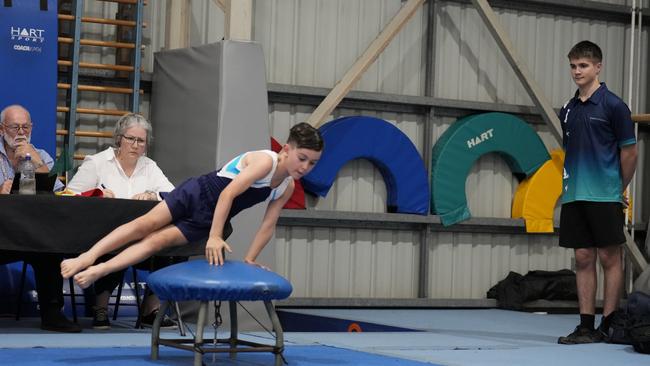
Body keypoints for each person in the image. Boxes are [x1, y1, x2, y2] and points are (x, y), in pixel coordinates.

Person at [61, 122, 323, 290]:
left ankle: (100, 270)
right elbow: (228, 194)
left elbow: (268, 224)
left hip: (209, 218)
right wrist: (215, 236)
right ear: (287, 149)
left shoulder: (286, 186)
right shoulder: (265, 163)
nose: (304, 167)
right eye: (302, 158)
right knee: (144, 224)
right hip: (198, 193)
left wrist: (251, 258)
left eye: (312, 163)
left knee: (156, 243)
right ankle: (88, 256)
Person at [557, 41, 638, 344]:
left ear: (598, 67)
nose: (577, 71)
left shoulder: (614, 106)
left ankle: (610, 323)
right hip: (574, 194)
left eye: (583, 66)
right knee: (582, 257)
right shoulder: (568, 109)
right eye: (573, 66)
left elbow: (629, 153)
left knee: (609, 257)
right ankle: (586, 326)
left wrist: (620, 187)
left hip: (605, 195)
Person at [66, 113, 177, 329]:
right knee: (118, 243)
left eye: (141, 141)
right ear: (119, 138)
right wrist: (97, 193)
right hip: (100, 237)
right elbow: (69, 195)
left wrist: (153, 195)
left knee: (171, 247)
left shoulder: (150, 166)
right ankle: (100, 308)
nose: (135, 145)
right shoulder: (97, 163)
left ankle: (150, 310)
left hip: (141, 240)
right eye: (130, 139)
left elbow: (174, 195)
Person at [0, 104, 81, 333]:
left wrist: (31, 156)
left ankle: (52, 314)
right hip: (1, 233)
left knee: (50, 248)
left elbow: (57, 190)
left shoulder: (40, 155)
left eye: (26, 126)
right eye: (15, 127)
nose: (21, 132)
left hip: (29, 233)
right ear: (1, 129)